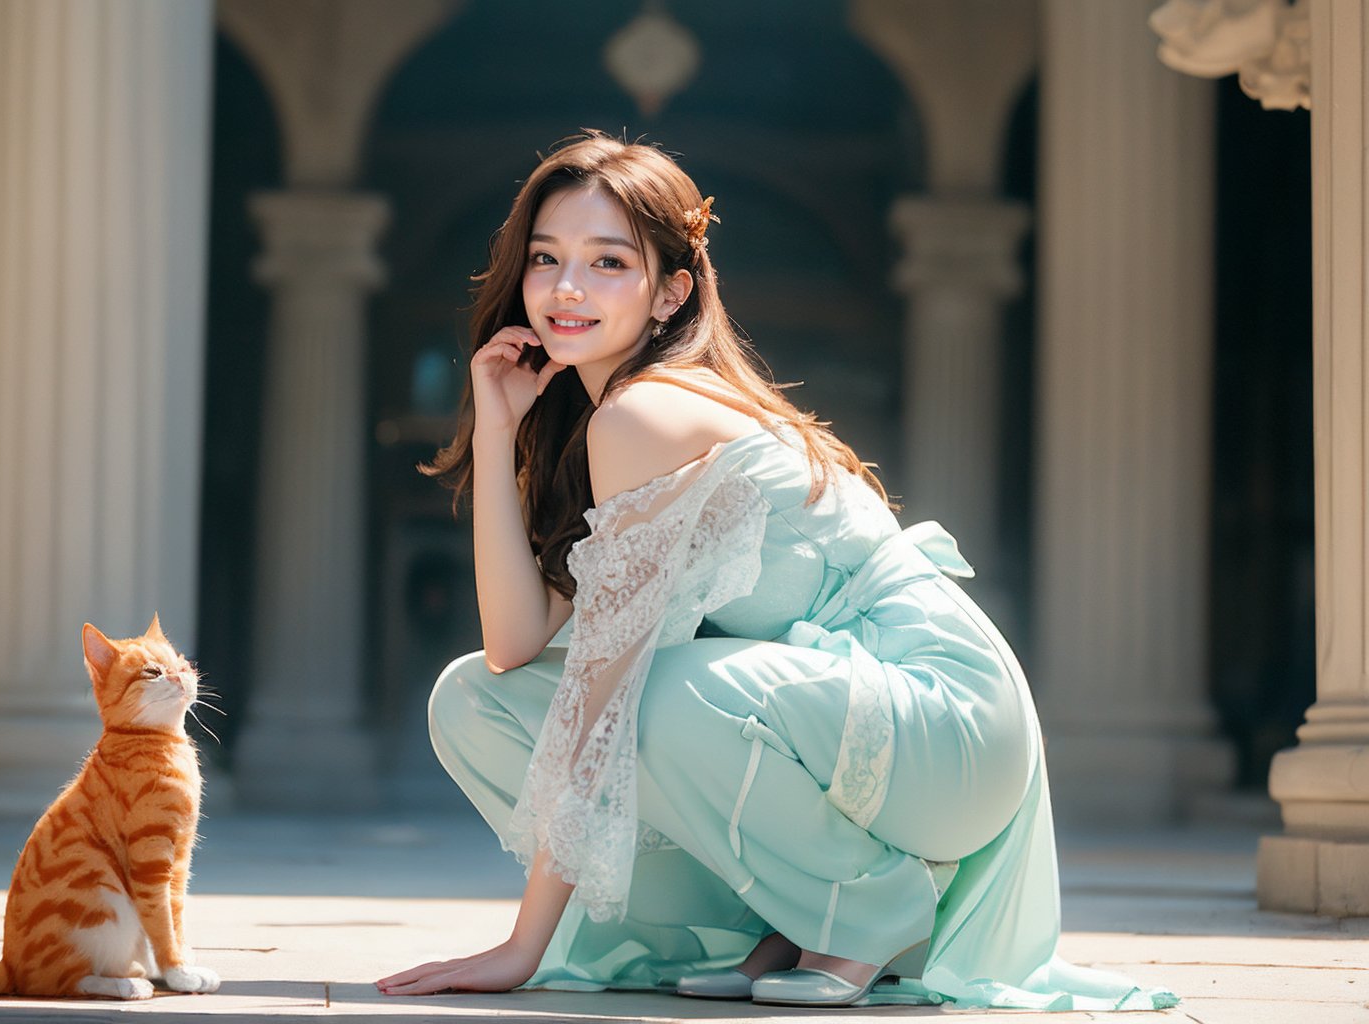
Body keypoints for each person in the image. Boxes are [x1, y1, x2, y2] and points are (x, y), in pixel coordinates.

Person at [376, 132, 1177, 1011]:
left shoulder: (644, 414)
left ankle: (869, 913)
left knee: (658, 689)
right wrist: (497, 433)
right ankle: (790, 918)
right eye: (546, 258)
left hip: (948, 725)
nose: (567, 288)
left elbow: (601, 696)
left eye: (608, 262)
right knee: (475, 701)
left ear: (671, 291)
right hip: (849, 721)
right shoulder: (603, 421)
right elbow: (514, 646)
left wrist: (522, 948)